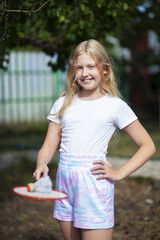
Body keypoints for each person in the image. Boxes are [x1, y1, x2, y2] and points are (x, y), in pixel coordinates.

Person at [33, 39, 156, 240]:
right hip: (65, 184)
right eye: (79, 67)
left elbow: (148, 146)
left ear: (105, 69)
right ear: (73, 71)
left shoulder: (115, 106)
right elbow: (48, 145)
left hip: (94, 185)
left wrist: (119, 173)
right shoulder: (62, 104)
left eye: (91, 66)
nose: (85, 73)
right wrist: (41, 162)